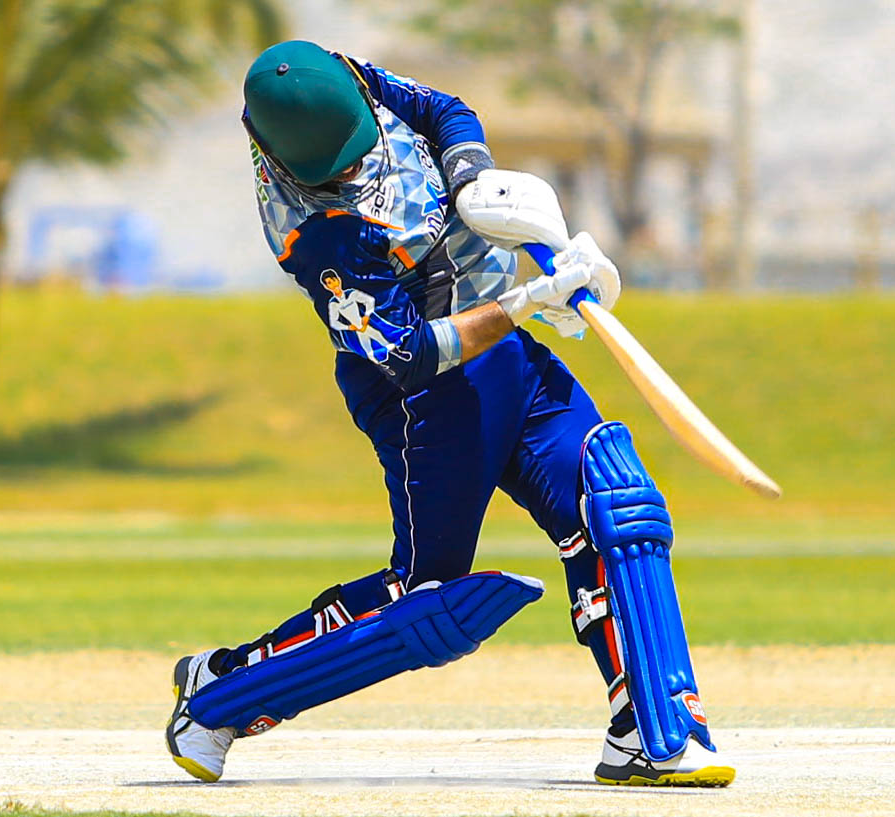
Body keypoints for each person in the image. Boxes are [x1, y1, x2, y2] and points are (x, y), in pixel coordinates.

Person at [165, 40, 733, 788]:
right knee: (424, 598)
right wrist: (528, 300)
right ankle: (220, 697)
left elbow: (442, 109)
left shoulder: (349, 77)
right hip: (425, 396)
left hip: (508, 359)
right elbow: (409, 356)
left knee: (615, 504)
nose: (355, 171)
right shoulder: (321, 237)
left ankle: (653, 730)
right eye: (336, 169)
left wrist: (473, 179)